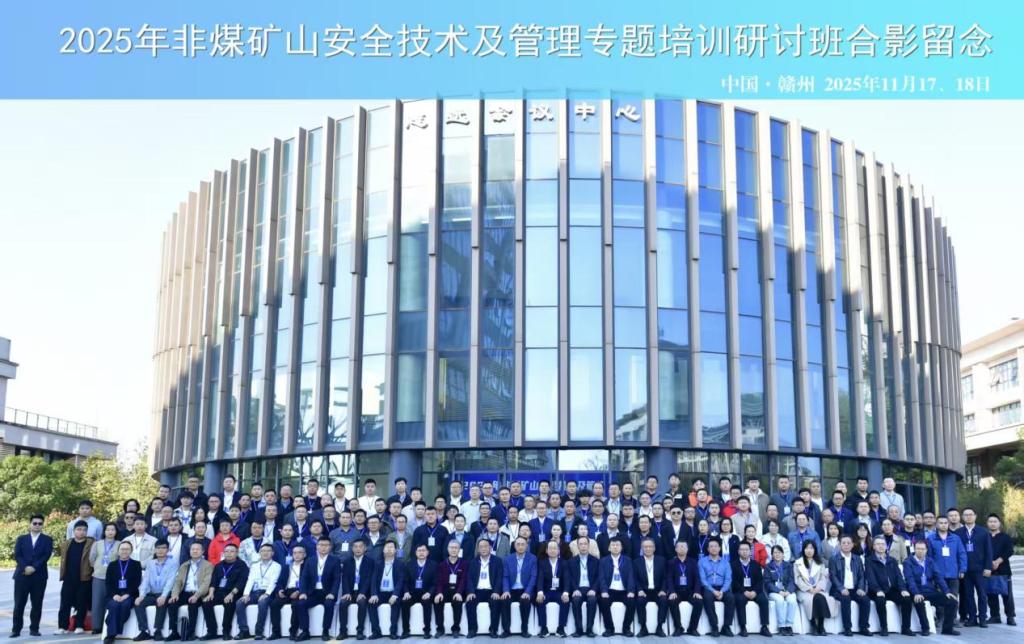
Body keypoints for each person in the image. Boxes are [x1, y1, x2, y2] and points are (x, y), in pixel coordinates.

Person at [903, 540, 960, 636]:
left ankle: (947, 629)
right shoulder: (908, 562)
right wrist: (916, 593)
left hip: (930, 591)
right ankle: (925, 628)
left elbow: (938, 577)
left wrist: (946, 591)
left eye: (922, 549)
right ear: (914, 549)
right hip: (916, 591)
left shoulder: (930, 561)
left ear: (926, 550)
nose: (920, 551)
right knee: (919, 601)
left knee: (952, 601)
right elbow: (910, 580)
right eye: (918, 549)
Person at [12, 514, 53, 637]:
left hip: (39, 576)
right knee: (19, 604)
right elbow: (17, 555)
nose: (37, 525)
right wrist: (25, 567)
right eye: (34, 523)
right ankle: (16, 630)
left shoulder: (47, 539)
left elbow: (46, 556)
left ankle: (34, 629)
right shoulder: (21, 539)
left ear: (42, 525)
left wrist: (34, 567)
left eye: (40, 523)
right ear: (30, 524)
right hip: (22, 575)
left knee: (37, 604)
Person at [293, 537, 341, 640]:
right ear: (317, 546)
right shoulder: (310, 560)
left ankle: (325, 631)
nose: (323, 547)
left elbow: (336, 579)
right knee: (300, 604)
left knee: (329, 604)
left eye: (326, 545)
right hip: (313, 593)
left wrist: (333, 593)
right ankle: (305, 631)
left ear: (330, 547)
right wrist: (303, 592)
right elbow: (304, 578)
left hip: (327, 593)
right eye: (321, 545)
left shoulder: (335, 560)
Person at [865, 535, 914, 636]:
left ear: (886, 546)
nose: (881, 546)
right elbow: (870, 578)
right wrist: (877, 590)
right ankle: (884, 627)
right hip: (876, 590)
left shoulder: (892, 560)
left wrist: (903, 589)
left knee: (907, 599)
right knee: (880, 600)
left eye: (883, 544)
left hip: (892, 589)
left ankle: (906, 628)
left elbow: (899, 576)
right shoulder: (869, 560)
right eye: (878, 544)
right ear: (873, 546)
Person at [200, 542, 248, 641]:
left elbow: (242, 582)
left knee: (229, 602)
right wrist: (211, 593)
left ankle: (226, 632)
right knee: (206, 602)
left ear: (237, 553)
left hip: (234, 592)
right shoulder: (218, 565)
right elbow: (213, 581)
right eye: (226, 551)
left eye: (232, 551)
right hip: (219, 592)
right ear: (223, 553)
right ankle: (211, 631)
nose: (229, 553)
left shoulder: (242, 565)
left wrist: (231, 594)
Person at [167, 541, 215, 640]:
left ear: (203, 551)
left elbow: (206, 583)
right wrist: (174, 594)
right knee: (172, 603)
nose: (195, 551)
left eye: (197, 549)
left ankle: (191, 632)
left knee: (193, 604)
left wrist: (196, 595)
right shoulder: (184, 565)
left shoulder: (208, 565)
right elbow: (178, 582)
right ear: (189, 551)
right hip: (185, 592)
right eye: (193, 549)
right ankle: (174, 632)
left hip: (199, 593)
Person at [132, 539, 177, 641]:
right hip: (152, 593)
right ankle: (144, 631)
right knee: (138, 603)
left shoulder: (173, 563)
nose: (160, 550)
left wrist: (164, 596)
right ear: (155, 550)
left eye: (163, 548)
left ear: (168, 550)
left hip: (165, 593)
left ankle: (158, 631)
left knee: (161, 603)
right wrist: (141, 595)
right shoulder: (150, 563)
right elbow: (146, 580)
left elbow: (170, 581)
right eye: (158, 548)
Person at [955, 507, 993, 628]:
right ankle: (972, 618)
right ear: (962, 517)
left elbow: (989, 551)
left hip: (980, 569)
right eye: (966, 515)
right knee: (968, 595)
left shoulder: (983, 532)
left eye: (971, 514)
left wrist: (988, 567)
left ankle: (982, 618)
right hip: (965, 570)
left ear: (975, 516)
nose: (968, 517)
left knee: (982, 594)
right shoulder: (958, 533)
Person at [827, 535, 872, 636]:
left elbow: (861, 576)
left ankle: (864, 627)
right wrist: (841, 588)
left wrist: (860, 588)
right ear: (839, 545)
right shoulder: (833, 559)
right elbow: (833, 576)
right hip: (838, 590)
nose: (846, 545)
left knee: (865, 600)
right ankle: (847, 628)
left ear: (852, 545)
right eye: (843, 543)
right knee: (845, 599)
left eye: (848, 543)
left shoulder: (857, 559)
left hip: (854, 589)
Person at [234, 543, 280, 639]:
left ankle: (259, 631)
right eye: (263, 551)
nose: (265, 553)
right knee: (239, 602)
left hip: (269, 592)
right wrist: (246, 594)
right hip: (255, 592)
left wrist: (266, 593)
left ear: (272, 553)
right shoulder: (254, 566)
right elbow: (250, 580)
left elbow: (274, 581)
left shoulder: (276, 566)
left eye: (268, 551)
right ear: (259, 553)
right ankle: (244, 631)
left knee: (262, 602)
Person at [58, 520, 95, 634]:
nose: (81, 532)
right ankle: (62, 627)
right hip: (68, 578)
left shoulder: (91, 543)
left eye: (84, 530)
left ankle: (79, 625)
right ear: (74, 531)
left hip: (84, 578)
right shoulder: (67, 543)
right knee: (65, 603)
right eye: (79, 529)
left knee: (81, 603)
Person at [103, 541, 144, 644]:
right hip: (114, 594)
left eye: (127, 549)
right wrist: (114, 595)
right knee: (114, 605)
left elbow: (137, 582)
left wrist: (127, 594)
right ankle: (111, 635)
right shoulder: (112, 565)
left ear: (131, 551)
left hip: (130, 594)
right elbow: (108, 583)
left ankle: (109, 622)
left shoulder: (136, 564)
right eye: (122, 549)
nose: (124, 551)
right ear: (118, 551)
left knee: (125, 605)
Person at [466, 537, 505, 638]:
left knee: (496, 602)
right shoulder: (473, 562)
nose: (483, 549)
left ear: (490, 548)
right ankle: (472, 629)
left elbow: (499, 578)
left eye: (486, 546)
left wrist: (496, 591)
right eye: (481, 547)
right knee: (470, 602)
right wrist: (470, 592)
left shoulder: (497, 561)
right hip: (477, 591)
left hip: (491, 591)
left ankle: (493, 629)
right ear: (478, 549)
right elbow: (469, 579)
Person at [270, 543, 310, 641]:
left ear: (304, 554)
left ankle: (293, 632)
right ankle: (276, 632)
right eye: (294, 553)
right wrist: (280, 590)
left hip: (300, 590)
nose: (297, 555)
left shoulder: (308, 566)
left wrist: (299, 591)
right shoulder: (287, 566)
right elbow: (280, 581)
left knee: (296, 605)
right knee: (274, 604)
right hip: (287, 590)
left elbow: (310, 582)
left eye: (300, 552)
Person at [731, 541, 772, 637]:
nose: (744, 552)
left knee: (764, 600)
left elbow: (760, 581)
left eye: (746, 549)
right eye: (742, 549)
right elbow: (733, 582)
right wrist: (744, 591)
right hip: (740, 591)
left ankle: (764, 627)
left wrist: (754, 591)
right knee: (740, 600)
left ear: (750, 551)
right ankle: (743, 627)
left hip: (754, 591)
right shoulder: (733, 565)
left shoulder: (756, 564)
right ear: (738, 551)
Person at [793, 540, 833, 636]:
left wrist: (818, 588)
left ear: (815, 550)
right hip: (804, 590)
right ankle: (813, 625)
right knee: (810, 599)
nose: (809, 550)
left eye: (811, 548)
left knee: (820, 597)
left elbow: (823, 577)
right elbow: (797, 579)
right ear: (803, 550)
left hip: (817, 589)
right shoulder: (798, 563)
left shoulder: (820, 563)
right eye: (807, 548)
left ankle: (821, 625)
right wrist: (808, 588)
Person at [367, 541, 405, 639]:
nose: (389, 549)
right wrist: (374, 594)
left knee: (396, 603)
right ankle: (376, 632)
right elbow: (373, 579)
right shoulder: (378, 563)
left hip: (393, 593)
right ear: (383, 550)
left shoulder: (400, 564)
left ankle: (393, 631)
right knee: (371, 603)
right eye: (387, 547)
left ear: (396, 551)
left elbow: (400, 580)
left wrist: (395, 594)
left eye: (391, 547)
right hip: (380, 593)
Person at [665, 540, 702, 636]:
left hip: (690, 591)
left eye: (684, 546)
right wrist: (672, 591)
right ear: (675, 549)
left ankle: (692, 628)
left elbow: (697, 578)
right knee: (672, 601)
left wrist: (697, 591)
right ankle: (678, 627)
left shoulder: (693, 562)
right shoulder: (671, 562)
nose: (682, 548)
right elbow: (669, 578)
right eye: (679, 546)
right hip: (677, 591)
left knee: (699, 602)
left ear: (687, 549)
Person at [633, 537, 668, 637]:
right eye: (645, 547)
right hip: (644, 591)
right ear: (642, 548)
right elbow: (635, 579)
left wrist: (663, 590)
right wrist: (639, 590)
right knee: (639, 601)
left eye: (650, 546)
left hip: (658, 591)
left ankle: (659, 627)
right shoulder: (636, 562)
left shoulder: (661, 560)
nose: (648, 549)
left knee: (664, 600)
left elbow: (665, 578)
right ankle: (643, 628)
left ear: (654, 548)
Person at [89, 522, 121, 635]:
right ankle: (96, 626)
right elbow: (92, 559)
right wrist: (97, 567)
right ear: (104, 532)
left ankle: (108, 626)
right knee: (97, 601)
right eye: (108, 530)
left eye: (113, 530)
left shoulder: (119, 544)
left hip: (114, 577)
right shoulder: (97, 544)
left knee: (112, 601)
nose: (110, 532)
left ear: (116, 532)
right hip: (98, 575)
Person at [536, 540, 570, 637]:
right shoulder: (542, 563)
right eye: (550, 548)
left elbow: (567, 579)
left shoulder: (564, 563)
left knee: (565, 601)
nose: (553, 550)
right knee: (540, 601)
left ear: (559, 550)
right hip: (546, 591)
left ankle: (561, 628)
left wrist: (566, 593)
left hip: (559, 591)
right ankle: (543, 628)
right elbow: (540, 579)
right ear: (546, 551)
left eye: (555, 548)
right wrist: (540, 592)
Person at [987, 513, 1015, 626]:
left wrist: (998, 561)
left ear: (999, 523)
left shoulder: (1005, 537)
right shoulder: (985, 537)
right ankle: (995, 616)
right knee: (991, 594)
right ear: (987, 523)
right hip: (989, 570)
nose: (993, 524)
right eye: (990, 521)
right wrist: (990, 563)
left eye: (995, 521)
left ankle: (1010, 617)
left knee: (1007, 595)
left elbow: (1009, 551)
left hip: (1004, 570)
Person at [568, 536, 600, 637]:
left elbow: (599, 577)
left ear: (589, 545)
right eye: (581, 544)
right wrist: (575, 589)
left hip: (591, 589)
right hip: (578, 589)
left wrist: (594, 589)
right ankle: (579, 629)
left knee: (592, 600)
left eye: (585, 544)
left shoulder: (595, 560)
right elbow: (570, 578)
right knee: (576, 600)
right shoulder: (571, 561)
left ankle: (590, 629)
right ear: (577, 546)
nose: (583, 546)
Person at [430, 541, 463, 637]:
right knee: (438, 600)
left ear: (459, 550)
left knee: (457, 601)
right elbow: (439, 581)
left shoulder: (464, 563)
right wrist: (439, 592)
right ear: (448, 549)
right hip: (445, 590)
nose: (453, 550)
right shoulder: (442, 564)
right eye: (451, 547)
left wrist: (459, 592)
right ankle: (440, 629)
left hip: (458, 590)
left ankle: (456, 629)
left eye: (456, 548)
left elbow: (464, 580)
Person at [764, 545, 798, 636]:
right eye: (775, 552)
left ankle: (789, 625)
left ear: (783, 554)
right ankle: (781, 626)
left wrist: (788, 591)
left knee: (792, 600)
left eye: (779, 552)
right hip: (774, 592)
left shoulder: (788, 565)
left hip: (787, 590)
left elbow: (792, 580)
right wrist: (779, 591)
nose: (777, 554)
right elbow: (767, 583)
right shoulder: (768, 567)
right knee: (779, 600)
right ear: (772, 555)